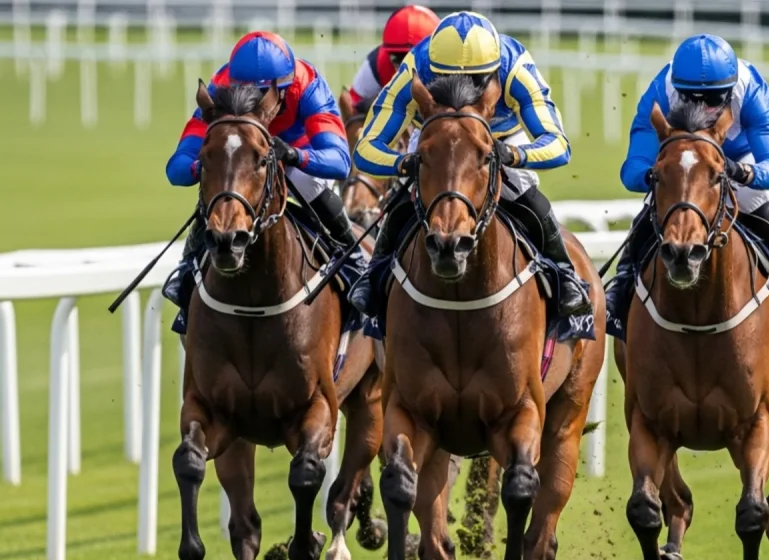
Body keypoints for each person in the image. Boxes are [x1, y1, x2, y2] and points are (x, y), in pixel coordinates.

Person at [348, 11, 591, 319]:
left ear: (493, 72)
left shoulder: (514, 67)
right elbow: (366, 149)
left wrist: (514, 155)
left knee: (523, 192)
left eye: (475, 81)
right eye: (447, 80)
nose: (462, 89)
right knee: (405, 197)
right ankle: (373, 277)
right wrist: (405, 163)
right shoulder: (416, 65)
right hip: (437, 135)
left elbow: (558, 145)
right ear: (433, 69)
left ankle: (566, 275)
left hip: (500, 136)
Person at [607, 33, 769, 326]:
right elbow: (633, 167)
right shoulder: (661, 89)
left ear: (730, 89)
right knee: (654, 207)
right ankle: (620, 286)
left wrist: (741, 172)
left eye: (714, 100)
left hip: (736, 158)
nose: (705, 109)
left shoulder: (751, 90)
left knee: (754, 201)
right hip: (682, 159)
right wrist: (657, 177)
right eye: (692, 100)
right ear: (678, 90)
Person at [163, 31, 356, 327]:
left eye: (259, 97)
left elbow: (339, 161)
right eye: (244, 95)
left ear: (282, 89)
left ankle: (355, 265)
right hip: (243, 159)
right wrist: (201, 167)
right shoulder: (219, 90)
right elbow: (176, 168)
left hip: (296, 154)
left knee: (308, 183)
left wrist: (294, 155)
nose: (251, 105)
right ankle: (188, 270)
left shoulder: (308, 86)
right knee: (220, 187)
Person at [348, 5, 441, 108]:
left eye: (415, 59)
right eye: (398, 58)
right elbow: (352, 107)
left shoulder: (451, 65)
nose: (406, 67)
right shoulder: (376, 64)